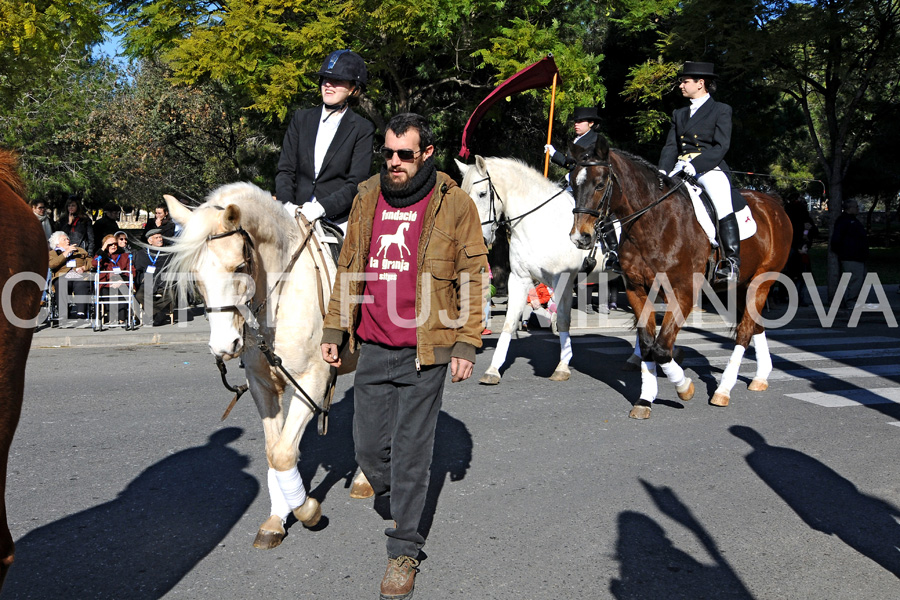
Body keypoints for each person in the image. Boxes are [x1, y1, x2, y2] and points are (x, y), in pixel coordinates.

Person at [319, 113, 488, 599]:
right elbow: (349, 264)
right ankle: (398, 496)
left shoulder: (453, 204)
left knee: (413, 451)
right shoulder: (368, 194)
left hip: (426, 348)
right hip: (372, 343)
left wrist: (466, 342)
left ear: (427, 154)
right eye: (388, 153)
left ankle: (404, 548)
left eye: (404, 155)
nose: (394, 162)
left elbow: (473, 273)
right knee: (368, 450)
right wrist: (335, 326)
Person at [275, 49, 376, 231]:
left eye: (337, 81)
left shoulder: (362, 129)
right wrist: (287, 204)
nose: (328, 85)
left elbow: (356, 182)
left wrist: (321, 208)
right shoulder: (300, 119)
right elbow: (285, 169)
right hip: (294, 213)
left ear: (354, 89)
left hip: (337, 219)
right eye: (325, 79)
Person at [658, 61, 740, 283]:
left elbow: (721, 146)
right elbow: (671, 146)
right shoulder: (679, 113)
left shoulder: (721, 110)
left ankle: (731, 262)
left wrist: (696, 165)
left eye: (685, 82)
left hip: (709, 168)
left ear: (700, 83)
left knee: (721, 203)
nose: (681, 86)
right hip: (680, 168)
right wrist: (662, 171)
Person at [831, 199, 869, 309]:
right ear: (850, 208)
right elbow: (836, 240)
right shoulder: (844, 221)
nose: (858, 209)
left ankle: (856, 300)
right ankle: (851, 301)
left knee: (860, 278)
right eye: (856, 207)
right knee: (855, 279)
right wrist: (845, 251)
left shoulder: (852, 220)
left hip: (858, 256)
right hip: (851, 256)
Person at [48, 231, 93, 322]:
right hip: (62, 276)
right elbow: (52, 264)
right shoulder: (52, 253)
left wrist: (84, 268)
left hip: (79, 275)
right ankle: (63, 314)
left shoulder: (79, 250)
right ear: (57, 242)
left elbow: (91, 261)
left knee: (82, 284)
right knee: (61, 284)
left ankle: (81, 312)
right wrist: (66, 252)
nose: (67, 240)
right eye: (64, 239)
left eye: (67, 238)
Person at [93, 234, 135, 324]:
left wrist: (121, 281)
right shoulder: (102, 256)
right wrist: (103, 248)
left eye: (115, 244)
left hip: (121, 281)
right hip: (107, 282)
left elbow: (132, 271)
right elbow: (94, 264)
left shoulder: (125, 255)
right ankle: (112, 317)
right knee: (105, 291)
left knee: (123, 290)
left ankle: (122, 318)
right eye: (110, 244)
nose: (113, 246)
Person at [134, 228, 173, 326]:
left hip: (162, 281)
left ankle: (153, 313)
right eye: (157, 238)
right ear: (150, 241)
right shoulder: (142, 254)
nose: (160, 239)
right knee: (139, 296)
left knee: (171, 295)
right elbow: (138, 270)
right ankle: (159, 313)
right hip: (148, 281)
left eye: (160, 237)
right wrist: (142, 278)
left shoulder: (167, 252)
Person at [543, 105, 600, 170]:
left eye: (580, 121)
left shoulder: (595, 140)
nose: (576, 124)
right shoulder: (577, 138)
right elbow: (567, 161)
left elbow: (577, 165)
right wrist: (554, 153)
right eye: (576, 121)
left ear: (591, 123)